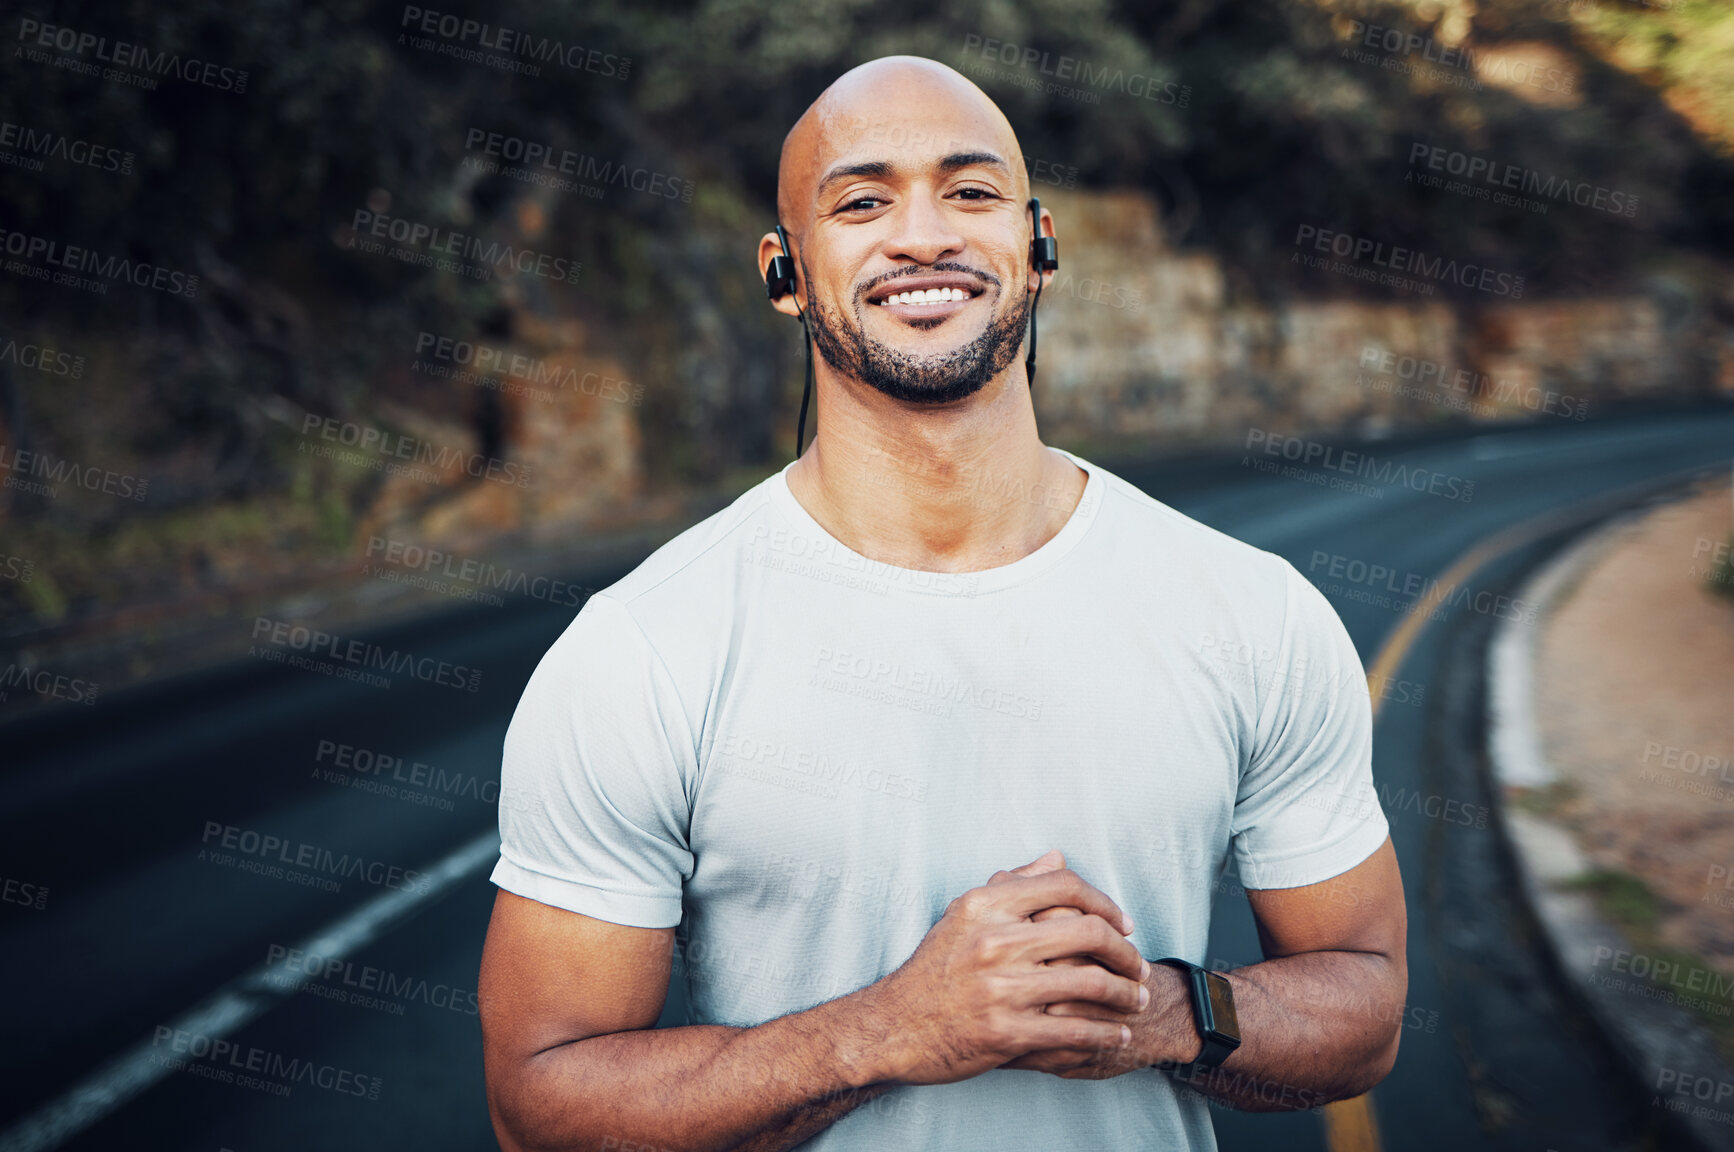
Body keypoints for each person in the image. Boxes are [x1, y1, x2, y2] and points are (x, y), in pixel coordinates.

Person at [478, 54, 1406, 1152]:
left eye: (971, 191)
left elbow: (1367, 1005)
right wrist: (892, 1031)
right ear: (785, 272)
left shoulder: (1254, 610)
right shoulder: (642, 652)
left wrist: (1157, 1013)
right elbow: (541, 1109)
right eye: (862, 202)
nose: (925, 236)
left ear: (1040, 245)